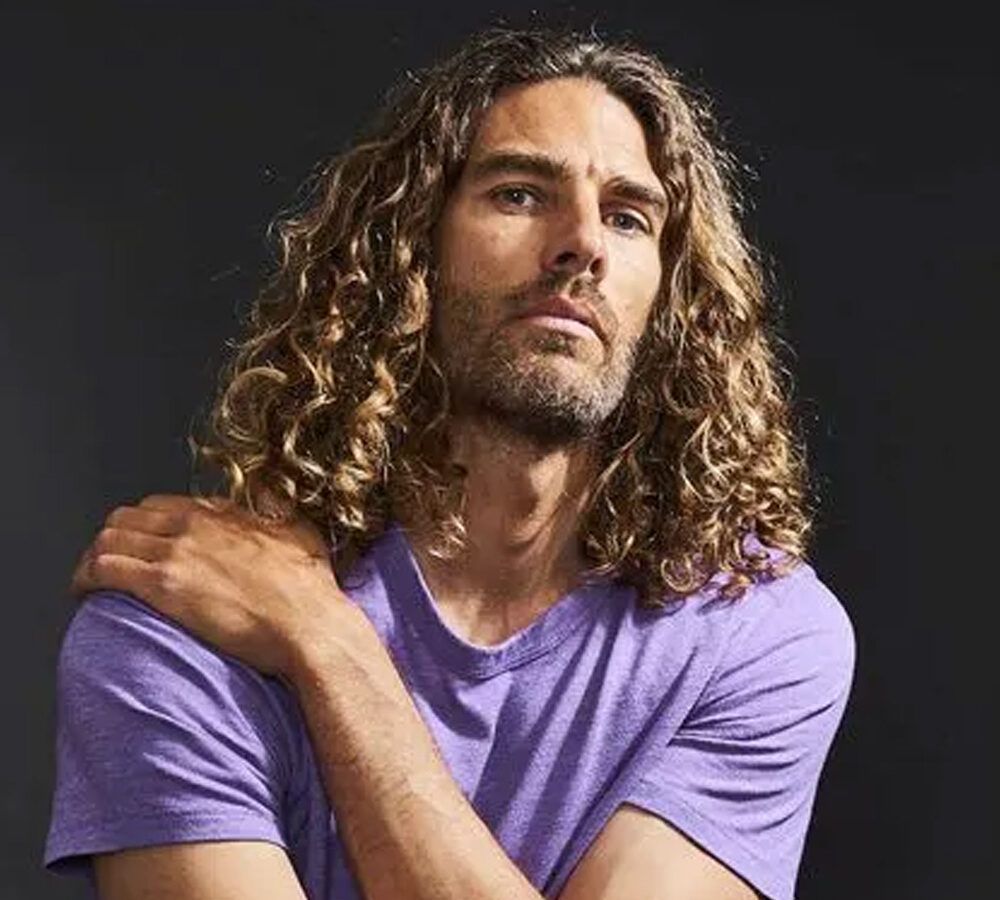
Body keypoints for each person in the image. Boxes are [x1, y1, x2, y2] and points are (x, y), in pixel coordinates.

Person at [44, 25, 855, 900]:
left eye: (628, 217)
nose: (582, 242)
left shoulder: (757, 635)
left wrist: (327, 647)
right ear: (407, 251)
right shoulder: (184, 619)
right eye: (519, 194)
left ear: (670, 300)